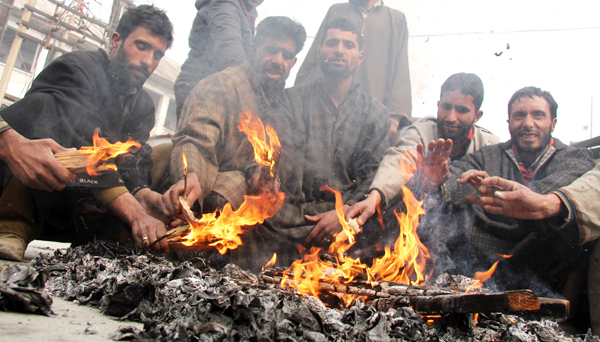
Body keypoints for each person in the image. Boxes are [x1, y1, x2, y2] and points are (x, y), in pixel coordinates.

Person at [0, 5, 174, 261]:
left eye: (157, 54)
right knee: (45, 109)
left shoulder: (144, 105)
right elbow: (84, 148)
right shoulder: (77, 68)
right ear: (116, 41)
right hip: (46, 194)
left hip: (84, 209)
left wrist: (143, 193)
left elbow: (134, 161)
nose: (148, 61)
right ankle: (12, 226)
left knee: (167, 151)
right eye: (141, 46)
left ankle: (110, 240)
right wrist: (137, 215)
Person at [230, 18, 391, 272]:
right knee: (259, 208)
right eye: (332, 43)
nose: (339, 50)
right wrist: (263, 177)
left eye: (348, 45)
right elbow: (272, 159)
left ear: (359, 57)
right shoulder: (290, 101)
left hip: (346, 222)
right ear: (319, 53)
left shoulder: (376, 115)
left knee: (384, 214)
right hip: (291, 218)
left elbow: (371, 179)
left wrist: (342, 215)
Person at [416, 86, 595, 300]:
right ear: (509, 124)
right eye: (519, 116)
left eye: (538, 115)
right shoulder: (488, 156)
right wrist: (435, 182)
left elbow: (550, 192)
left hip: (544, 269)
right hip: (483, 267)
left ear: (553, 123)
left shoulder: (574, 159)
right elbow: (458, 176)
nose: (528, 123)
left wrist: (509, 194)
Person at [163, 16, 306, 220]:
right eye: (271, 50)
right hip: (202, 198)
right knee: (230, 189)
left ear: (293, 62)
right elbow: (196, 139)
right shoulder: (223, 85)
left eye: (286, 55)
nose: (277, 60)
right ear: (254, 50)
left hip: (243, 214)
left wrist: (260, 175)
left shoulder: (280, 103)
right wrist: (191, 175)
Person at [347, 73, 499, 227]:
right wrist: (375, 196)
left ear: (477, 116)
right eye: (446, 107)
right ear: (438, 105)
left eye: (461, 110)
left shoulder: (488, 143)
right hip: (421, 222)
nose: (451, 117)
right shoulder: (423, 131)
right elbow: (400, 158)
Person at [468, 165, 600, 334]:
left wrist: (544, 201)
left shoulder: (572, 159)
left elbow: (570, 173)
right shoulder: (490, 155)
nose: (527, 135)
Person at [294, 0, 412, 141]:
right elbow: (313, 60)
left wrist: (394, 120)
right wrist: (298, 104)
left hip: (372, 120)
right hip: (324, 113)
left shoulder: (396, 18)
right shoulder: (336, 10)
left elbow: (401, 70)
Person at [174, 0, 264, 119]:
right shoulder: (224, 4)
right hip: (200, 87)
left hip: (216, 89)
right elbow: (229, 48)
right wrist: (250, 90)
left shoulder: (246, 12)